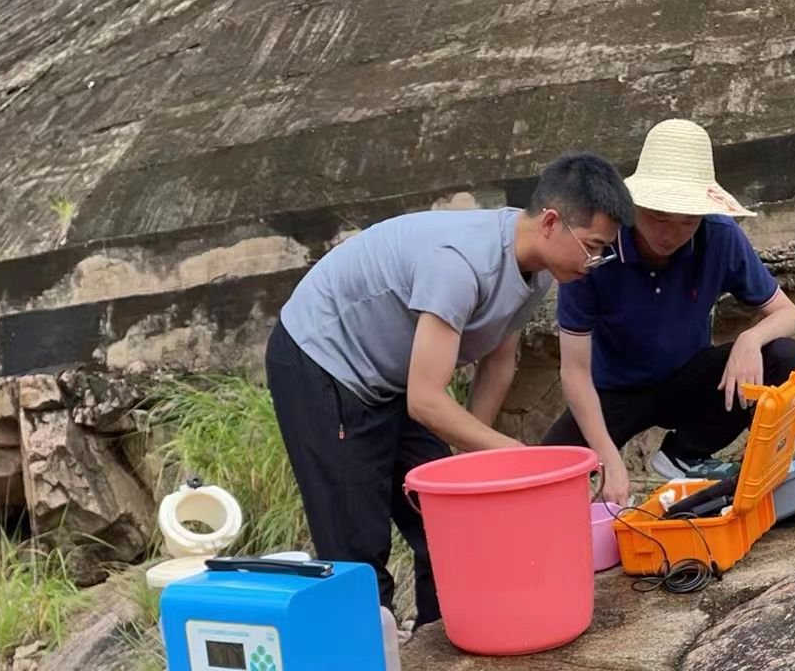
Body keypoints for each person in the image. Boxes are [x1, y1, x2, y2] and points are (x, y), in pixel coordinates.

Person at [265, 153, 633, 626]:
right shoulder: (459, 263)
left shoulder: (539, 271)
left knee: (449, 522)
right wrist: (517, 454)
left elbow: (499, 364)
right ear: (550, 222)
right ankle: (372, 667)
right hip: (323, 360)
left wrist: (474, 461)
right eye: (592, 246)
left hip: (395, 374)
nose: (595, 262)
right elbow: (425, 400)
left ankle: (448, 639)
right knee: (356, 541)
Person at [542, 119, 795, 505]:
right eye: (658, 217)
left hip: (688, 378)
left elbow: (789, 314)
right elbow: (574, 370)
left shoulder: (719, 236)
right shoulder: (595, 249)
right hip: (612, 392)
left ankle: (684, 454)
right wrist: (610, 459)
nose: (670, 234)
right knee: (546, 472)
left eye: (686, 221)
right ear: (634, 206)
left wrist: (750, 339)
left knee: (783, 356)